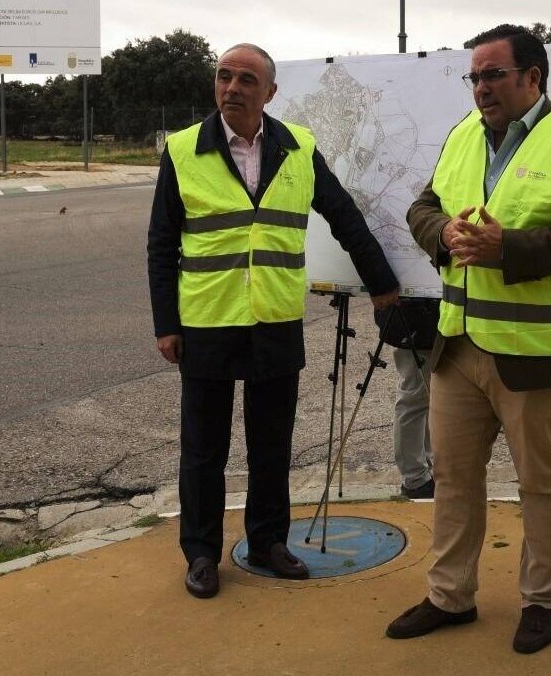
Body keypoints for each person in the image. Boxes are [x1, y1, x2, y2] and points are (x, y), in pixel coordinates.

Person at [384, 24, 551, 655]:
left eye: (494, 75)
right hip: (458, 348)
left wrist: (505, 247)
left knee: (541, 484)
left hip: (537, 355)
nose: (481, 87)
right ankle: (449, 596)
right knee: (454, 479)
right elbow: (422, 207)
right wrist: (443, 233)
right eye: (476, 76)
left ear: (532, 78)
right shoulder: (465, 135)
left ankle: (542, 601)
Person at [147, 43, 399, 600]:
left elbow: (344, 217)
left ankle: (267, 542)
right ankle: (203, 554)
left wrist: (382, 285)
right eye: (223, 77)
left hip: (275, 320)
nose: (232, 87)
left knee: (271, 446)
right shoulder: (185, 150)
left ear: (270, 92)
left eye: (246, 79)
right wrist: (167, 322)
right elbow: (162, 244)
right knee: (204, 451)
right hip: (207, 322)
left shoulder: (297, 149)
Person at [374, 296, 440, 500]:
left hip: (424, 314)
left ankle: (423, 472)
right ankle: (415, 479)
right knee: (415, 396)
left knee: (426, 396)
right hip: (414, 315)